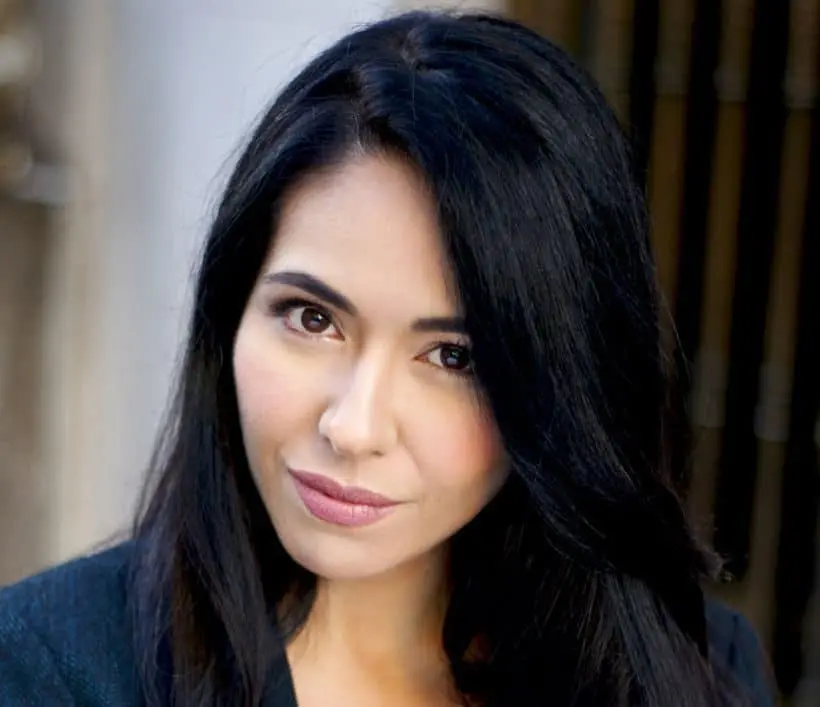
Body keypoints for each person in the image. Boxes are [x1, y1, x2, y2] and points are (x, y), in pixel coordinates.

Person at [0, 10, 774, 707]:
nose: (354, 425)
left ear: (562, 384)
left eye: (453, 355)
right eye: (311, 317)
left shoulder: (698, 671)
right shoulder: (55, 669)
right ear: (230, 311)